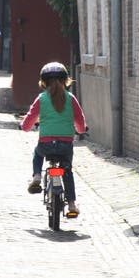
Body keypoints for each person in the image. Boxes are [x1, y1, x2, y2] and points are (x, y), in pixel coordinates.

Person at [20, 61, 86, 217]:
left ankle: (36, 176)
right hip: (65, 145)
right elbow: (80, 119)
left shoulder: (41, 98)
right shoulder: (71, 98)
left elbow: (30, 118)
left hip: (46, 144)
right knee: (67, 171)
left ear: (44, 82)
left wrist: (24, 127)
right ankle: (71, 205)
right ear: (65, 80)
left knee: (37, 154)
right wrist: (81, 130)